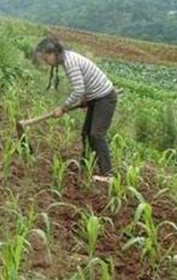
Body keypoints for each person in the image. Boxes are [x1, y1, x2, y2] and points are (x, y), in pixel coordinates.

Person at [34, 37, 117, 183]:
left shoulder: (70, 62)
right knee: (86, 133)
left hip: (105, 98)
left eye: (46, 58)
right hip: (95, 98)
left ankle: (108, 175)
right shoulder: (68, 58)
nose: (46, 62)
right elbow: (84, 85)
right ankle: (86, 165)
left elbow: (78, 90)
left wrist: (63, 108)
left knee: (96, 134)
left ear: (54, 53)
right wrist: (86, 98)